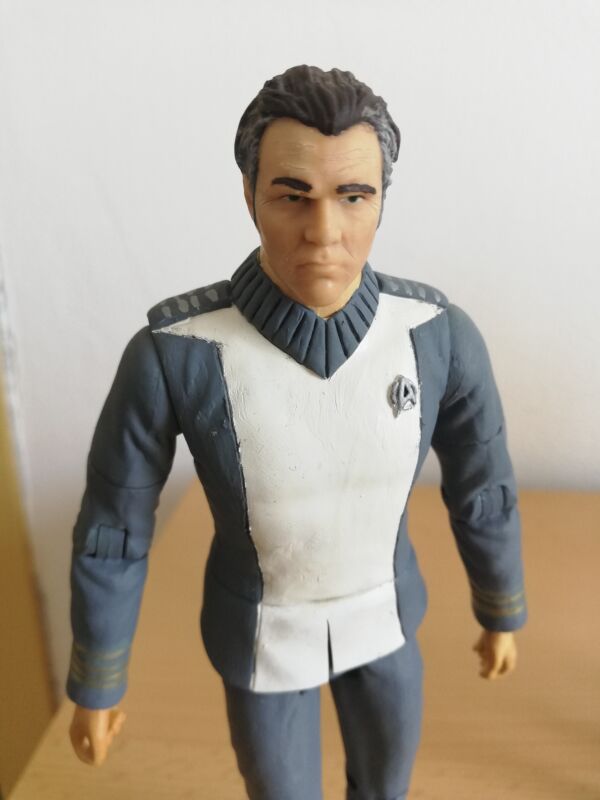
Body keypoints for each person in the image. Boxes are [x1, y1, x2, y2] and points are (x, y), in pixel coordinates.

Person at [67, 65, 526, 800]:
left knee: (387, 786)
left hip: (386, 622)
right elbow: (114, 527)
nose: (324, 233)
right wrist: (99, 675)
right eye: (292, 196)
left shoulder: (436, 335)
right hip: (262, 643)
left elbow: (484, 485)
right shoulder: (176, 353)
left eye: (354, 196)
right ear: (249, 194)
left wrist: (501, 606)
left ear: (382, 200)